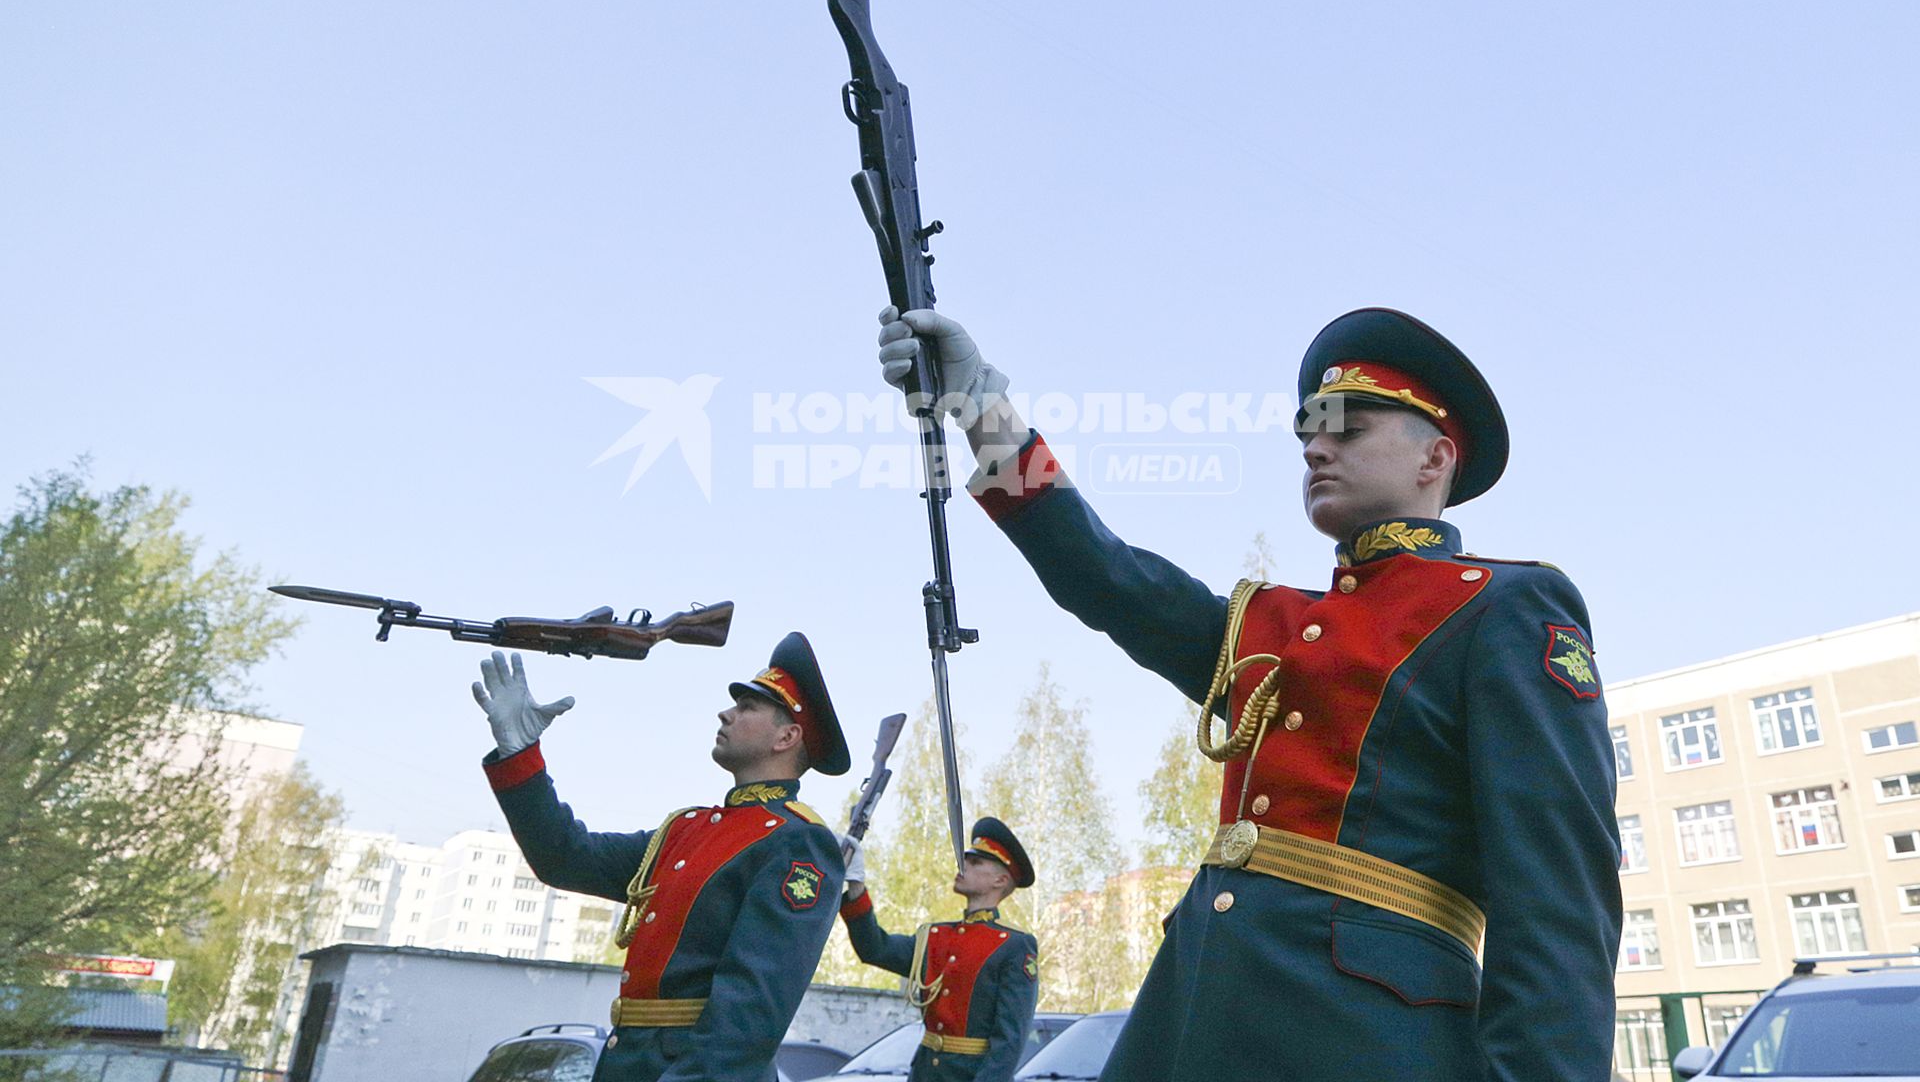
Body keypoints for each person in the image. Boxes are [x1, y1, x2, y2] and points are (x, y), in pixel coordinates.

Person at [873, 305, 1622, 1082]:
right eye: (1308, 438)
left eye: (1348, 429)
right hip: (1192, 1010)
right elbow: (1106, 576)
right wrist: (977, 406)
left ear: (1435, 457)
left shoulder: (1503, 607)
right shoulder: (1268, 623)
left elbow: (1558, 898)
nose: (1316, 449)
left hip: (1370, 1038)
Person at [473, 633, 851, 1082]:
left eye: (747, 708)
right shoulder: (684, 831)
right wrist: (520, 756)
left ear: (787, 736)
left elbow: (748, 1019)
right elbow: (566, 858)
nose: (726, 712)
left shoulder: (796, 842)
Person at [837, 818, 1039, 1082]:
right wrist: (857, 887)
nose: (962, 865)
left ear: (1000, 880)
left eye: (975, 863)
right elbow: (875, 949)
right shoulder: (934, 936)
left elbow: (1009, 1041)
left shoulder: (1013, 945)